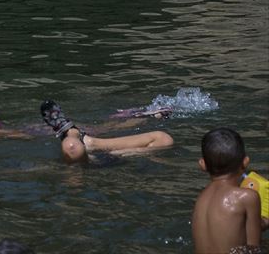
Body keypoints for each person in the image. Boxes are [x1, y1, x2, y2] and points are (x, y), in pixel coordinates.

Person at [192, 128, 266, 254]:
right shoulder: (247, 197)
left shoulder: (201, 199)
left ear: (202, 165)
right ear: (245, 162)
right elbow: (254, 248)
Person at [41, 99, 173, 164]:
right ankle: (91, 145)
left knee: (72, 147)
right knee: (164, 140)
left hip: (85, 149)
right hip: (100, 148)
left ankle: (81, 138)